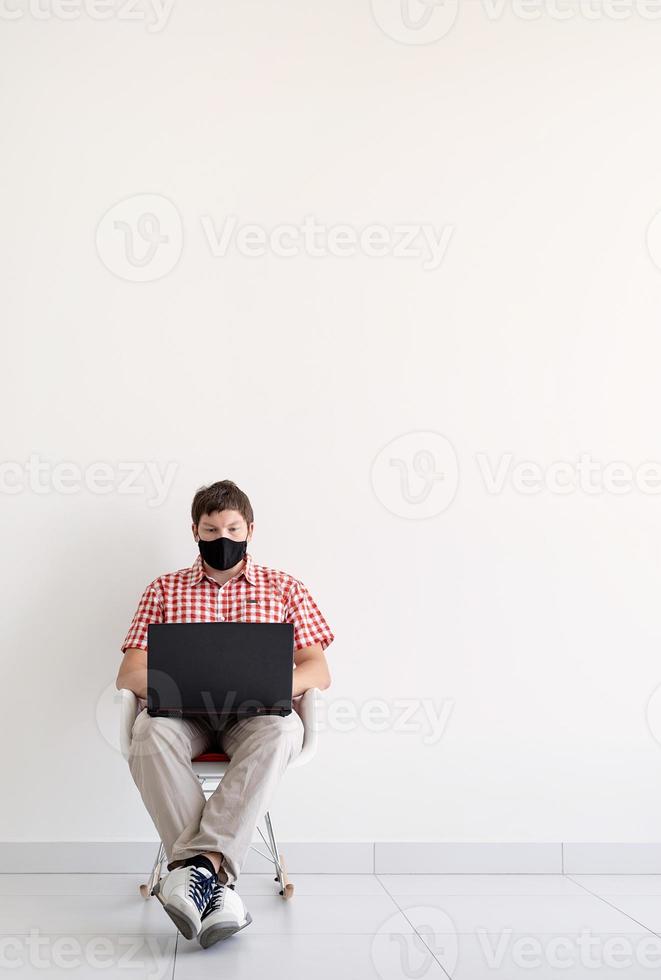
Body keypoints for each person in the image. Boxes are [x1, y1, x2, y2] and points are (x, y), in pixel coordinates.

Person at [115, 479, 334, 948]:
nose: (222, 539)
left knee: (280, 730)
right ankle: (216, 883)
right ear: (194, 530)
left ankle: (194, 875)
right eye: (210, 530)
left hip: (254, 716)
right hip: (182, 715)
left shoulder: (284, 587)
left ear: (250, 529)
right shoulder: (164, 589)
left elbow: (318, 669)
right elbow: (129, 672)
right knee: (149, 732)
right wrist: (174, 684)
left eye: (232, 528)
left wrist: (269, 686)